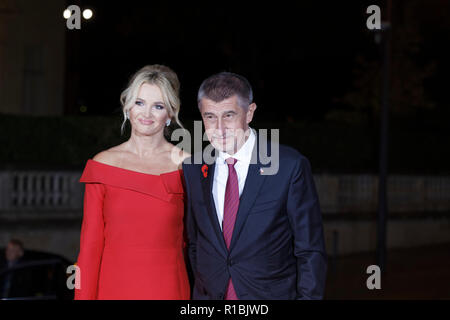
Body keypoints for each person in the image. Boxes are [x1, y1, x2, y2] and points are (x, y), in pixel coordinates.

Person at [182, 72, 327, 300]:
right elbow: (195, 243)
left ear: (249, 112)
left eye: (229, 115)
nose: (219, 128)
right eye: (210, 117)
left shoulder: (288, 166)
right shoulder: (193, 168)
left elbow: (310, 249)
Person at [74, 65, 190, 300]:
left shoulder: (186, 166)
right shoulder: (103, 164)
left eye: (157, 106)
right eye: (139, 103)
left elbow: (198, 241)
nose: (146, 114)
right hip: (112, 290)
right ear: (127, 107)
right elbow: (90, 248)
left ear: (169, 114)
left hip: (168, 289)